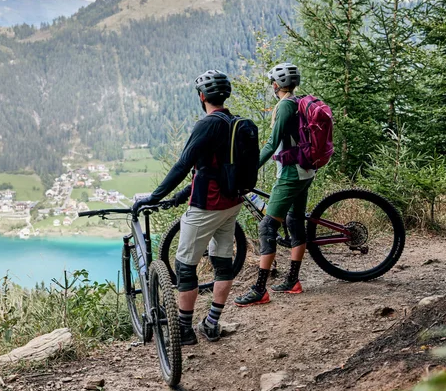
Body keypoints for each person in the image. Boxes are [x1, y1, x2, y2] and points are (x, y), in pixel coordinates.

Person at [132, 70, 242, 344]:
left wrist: (154, 197)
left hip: (207, 206)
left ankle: (183, 329)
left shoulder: (206, 124)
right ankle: (212, 323)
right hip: (232, 203)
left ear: (202, 96)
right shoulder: (236, 123)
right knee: (222, 264)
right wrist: (180, 197)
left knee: (184, 268)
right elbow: (209, 170)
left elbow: (184, 165)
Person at [234, 62, 314, 307]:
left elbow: (271, 144)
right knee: (294, 220)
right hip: (306, 170)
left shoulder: (286, 106)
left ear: (276, 85)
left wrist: (248, 172)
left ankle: (259, 289)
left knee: (267, 227)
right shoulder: (299, 102)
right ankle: (293, 281)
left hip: (291, 174)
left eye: (272, 82)